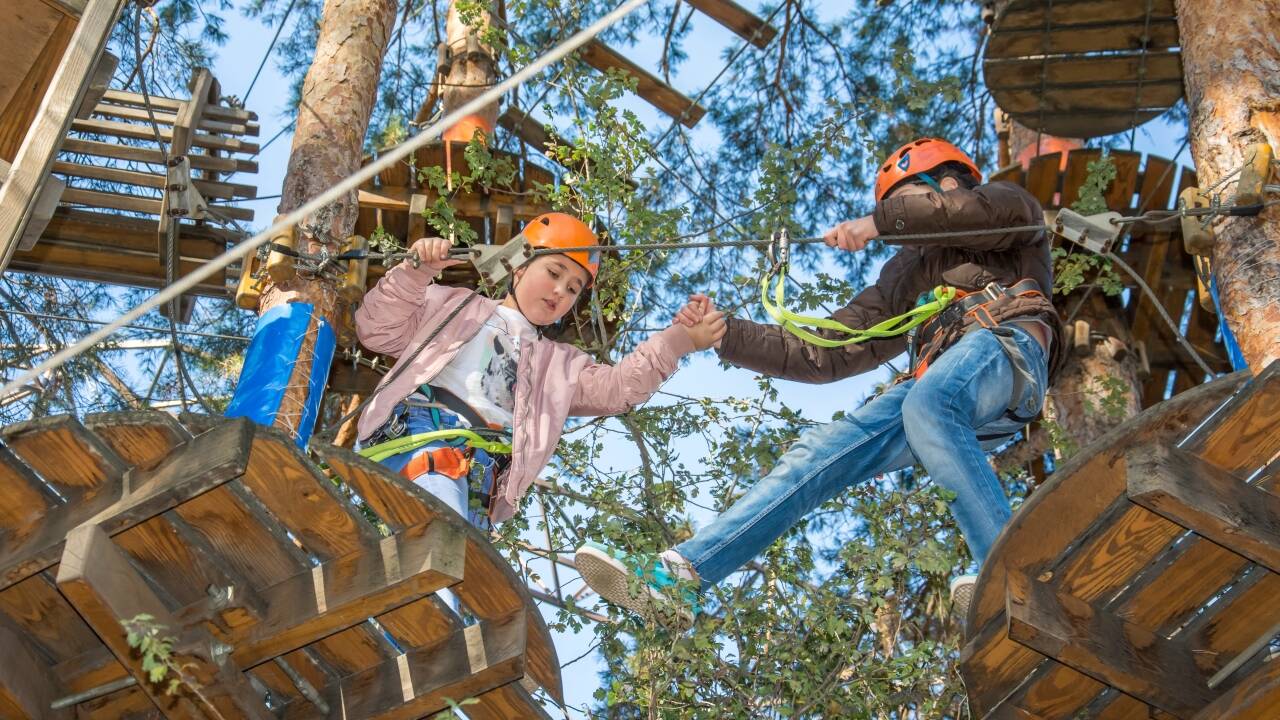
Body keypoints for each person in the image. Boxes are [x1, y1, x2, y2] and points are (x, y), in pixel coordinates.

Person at [574, 138, 1064, 625]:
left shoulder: (1008, 207)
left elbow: (959, 215)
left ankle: (1010, 578)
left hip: (1005, 350)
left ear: (948, 183)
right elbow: (826, 350)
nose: (899, 220)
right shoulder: (906, 275)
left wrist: (877, 223)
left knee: (929, 405)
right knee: (817, 455)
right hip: (939, 385)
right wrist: (725, 335)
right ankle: (682, 579)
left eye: (904, 204)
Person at [354, 212, 725, 608]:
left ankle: (426, 639)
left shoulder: (559, 366)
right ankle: (434, 619)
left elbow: (619, 388)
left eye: (573, 288)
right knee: (442, 533)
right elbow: (377, 329)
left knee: (471, 575)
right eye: (553, 271)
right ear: (518, 265)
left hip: (481, 479)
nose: (560, 291)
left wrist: (678, 339)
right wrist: (415, 273)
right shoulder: (454, 306)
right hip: (418, 435)